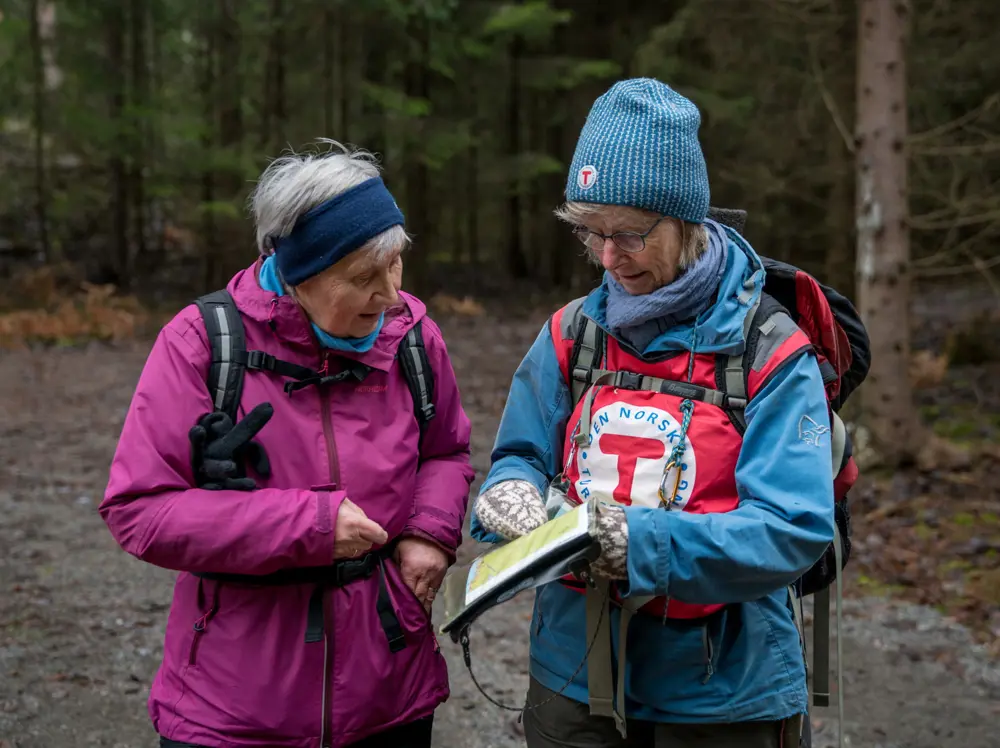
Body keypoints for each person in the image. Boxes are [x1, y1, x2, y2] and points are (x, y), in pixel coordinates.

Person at [470, 78, 836, 747]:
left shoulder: (769, 348)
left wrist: (636, 543)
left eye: (630, 235)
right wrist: (510, 498)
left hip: (724, 695)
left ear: (686, 220)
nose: (608, 258)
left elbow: (792, 525)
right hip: (573, 678)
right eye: (591, 234)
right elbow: (519, 454)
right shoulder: (571, 334)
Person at [100, 140, 475, 748]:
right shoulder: (202, 342)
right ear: (299, 272)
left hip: (387, 692)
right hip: (235, 708)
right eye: (361, 276)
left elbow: (445, 451)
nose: (389, 294)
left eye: (396, 263)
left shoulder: (413, 338)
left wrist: (429, 533)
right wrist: (311, 524)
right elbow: (139, 509)